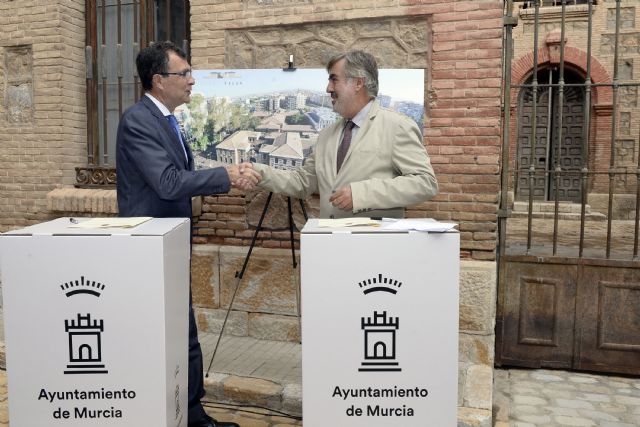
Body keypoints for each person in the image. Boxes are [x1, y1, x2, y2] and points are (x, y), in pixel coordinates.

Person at [116, 41, 256, 427]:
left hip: (171, 246)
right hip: (149, 249)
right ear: (159, 80)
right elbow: (167, 182)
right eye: (185, 73)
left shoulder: (168, 120)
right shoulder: (138, 121)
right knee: (169, 334)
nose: (192, 80)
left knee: (183, 332)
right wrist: (225, 175)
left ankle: (193, 414)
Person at [250, 50, 438, 218]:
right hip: (330, 241)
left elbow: (425, 182)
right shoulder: (327, 134)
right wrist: (256, 172)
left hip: (375, 242)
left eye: (334, 79)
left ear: (358, 83)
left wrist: (361, 194)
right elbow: (303, 182)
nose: (328, 88)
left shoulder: (397, 126)